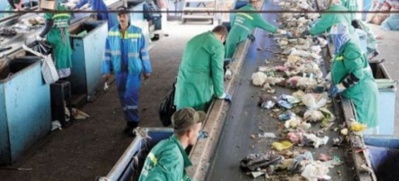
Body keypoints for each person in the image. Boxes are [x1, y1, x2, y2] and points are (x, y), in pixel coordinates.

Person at [102, 7, 152, 136]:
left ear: (128, 16)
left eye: (124, 15)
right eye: (119, 15)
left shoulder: (137, 32)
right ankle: (129, 122)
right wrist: (106, 70)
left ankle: (134, 123)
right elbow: (107, 54)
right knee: (123, 96)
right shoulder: (111, 33)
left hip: (134, 70)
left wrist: (147, 69)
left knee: (130, 95)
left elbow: (144, 52)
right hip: (119, 70)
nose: (121, 17)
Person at [327, 23, 378, 130]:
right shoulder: (343, 46)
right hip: (353, 90)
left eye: (334, 36)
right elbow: (339, 65)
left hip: (361, 91)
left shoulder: (351, 50)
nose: (333, 39)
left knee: (360, 125)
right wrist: (328, 79)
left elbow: (357, 74)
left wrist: (340, 86)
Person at [174, 25, 231, 112]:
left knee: (182, 118)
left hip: (183, 84)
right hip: (198, 88)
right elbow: (217, 71)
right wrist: (220, 93)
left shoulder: (196, 39)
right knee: (196, 118)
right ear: (222, 37)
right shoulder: (217, 45)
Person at [139, 107, 205, 180]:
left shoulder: (165, 144)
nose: (198, 135)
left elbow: (176, 176)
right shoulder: (173, 158)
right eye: (198, 131)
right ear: (189, 133)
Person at [225, 0, 289, 61]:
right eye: (260, 2)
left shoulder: (241, 9)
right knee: (229, 62)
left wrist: (246, 32)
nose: (259, 4)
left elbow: (234, 24)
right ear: (255, 2)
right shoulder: (254, 15)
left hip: (229, 39)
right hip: (236, 42)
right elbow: (267, 26)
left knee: (224, 58)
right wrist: (284, 32)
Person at [36, 0, 73, 78]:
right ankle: (64, 80)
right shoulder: (63, 7)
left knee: (57, 62)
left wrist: (40, 36)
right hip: (64, 38)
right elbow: (68, 22)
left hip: (55, 40)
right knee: (64, 59)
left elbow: (49, 25)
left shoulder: (49, 10)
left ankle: (58, 81)